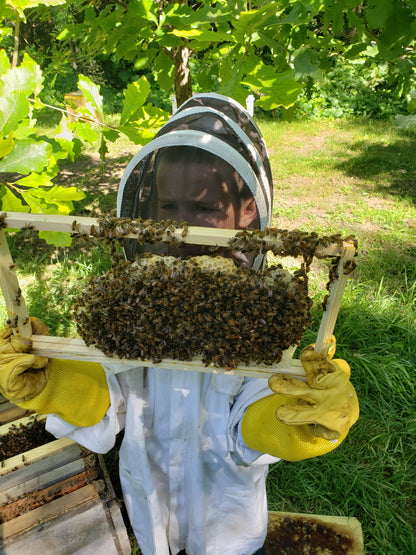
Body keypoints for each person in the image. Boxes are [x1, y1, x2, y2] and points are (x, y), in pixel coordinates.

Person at [0, 94, 359, 555]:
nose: (180, 229)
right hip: (152, 509)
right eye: (167, 206)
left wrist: (303, 425)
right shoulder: (138, 305)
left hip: (228, 524)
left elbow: (257, 412)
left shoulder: (256, 314)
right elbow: (112, 399)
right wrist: (54, 383)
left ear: (247, 210)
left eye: (203, 209)